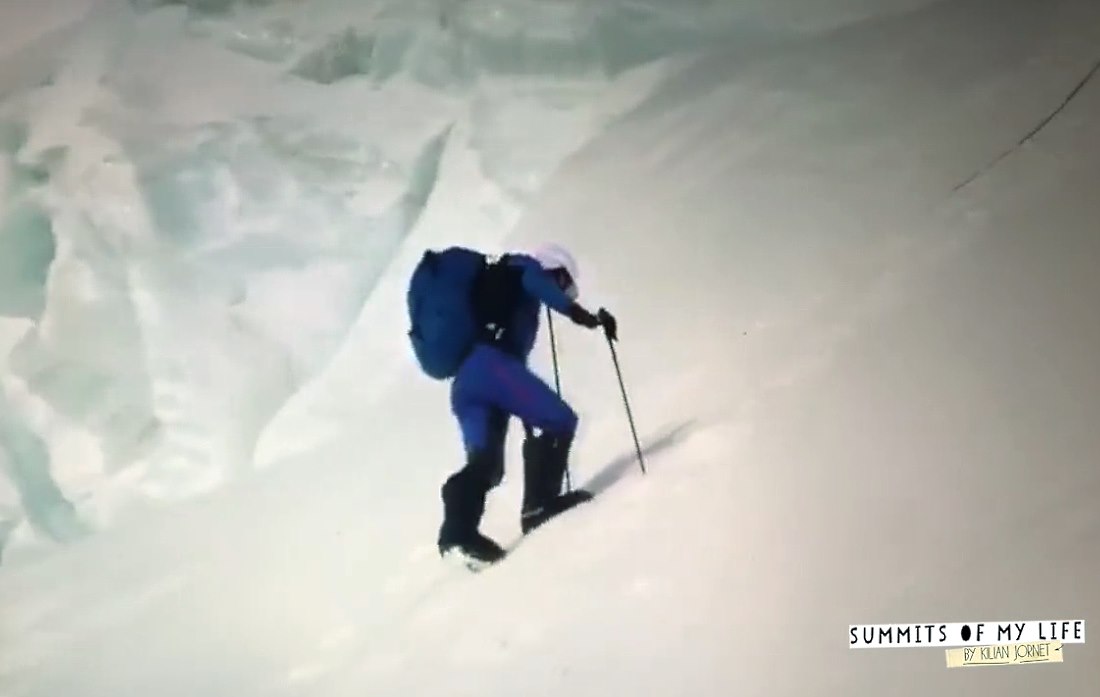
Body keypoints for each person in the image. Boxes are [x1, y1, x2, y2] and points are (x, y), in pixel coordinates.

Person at [435, 242, 617, 565]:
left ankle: (457, 535)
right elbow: (538, 285)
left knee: (486, 466)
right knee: (560, 420)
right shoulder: (525, 268)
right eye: (563, 283)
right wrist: (586, 318)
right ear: (553, 271)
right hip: (492, 368)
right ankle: (539, 506)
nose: (564, 291)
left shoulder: (504, 294)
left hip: (467, 380)